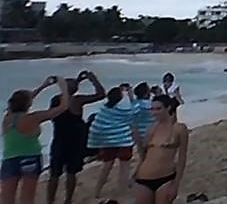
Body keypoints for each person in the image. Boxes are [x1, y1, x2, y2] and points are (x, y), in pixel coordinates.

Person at [2, 76, 69, 204]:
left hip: (10, 159)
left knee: (6, 199)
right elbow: (63, 107)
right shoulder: (34, 117)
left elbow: (23, 100)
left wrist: (43, 86)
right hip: (30, 158)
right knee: (27, 198)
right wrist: (63, 86)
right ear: (29, 103)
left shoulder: (7, 118)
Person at [47, 70, 105, 204]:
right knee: (71, 173)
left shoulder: (56, 100)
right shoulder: (77, 100)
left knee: (54, 174)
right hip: (74, 142)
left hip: (59, 140)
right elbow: (101, 94)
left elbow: (68, 91)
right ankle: (68, 200)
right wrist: (93, 79)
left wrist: (76, 82)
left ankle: (50, 201)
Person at [132, 95, 189, 204]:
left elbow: (182, 158)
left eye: (158, 109)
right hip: (143, 177)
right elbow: (144, 155)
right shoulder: (151, 128)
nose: (154, 112)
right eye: (152, 109)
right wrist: (138, 140)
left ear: (167, 108)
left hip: (165, 177)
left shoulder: (179, 128)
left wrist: (176, 184)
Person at [87, 87, 137, 202]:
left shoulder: (104, 108)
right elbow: (134, 113)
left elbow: (98, 125)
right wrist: (130, 95)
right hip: (124, 140)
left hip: (108, 141)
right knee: (124, 169)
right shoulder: (125, 108)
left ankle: (97, 192)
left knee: (106, 167)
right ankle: (122, 194)